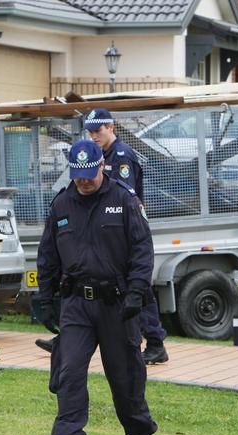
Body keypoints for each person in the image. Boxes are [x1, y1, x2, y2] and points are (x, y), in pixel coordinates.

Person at [37, 139, 157, 435]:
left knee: (125, 376)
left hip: (118, 305)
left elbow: (143, 251)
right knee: (70, 370)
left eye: (89, 174)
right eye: (78, 175)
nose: (84, 181)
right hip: (77, 302)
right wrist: (45, 297)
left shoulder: (123, 199)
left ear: (101, 166)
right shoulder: (62, 204)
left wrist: (136, 292)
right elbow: (47, 254)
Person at [35, 108, 169, 365]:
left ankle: (154, 341)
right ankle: (70, 337)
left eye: (98, 130)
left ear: (112, 128)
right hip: (102, 234)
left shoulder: (121, 156)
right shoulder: (100, 155)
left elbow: (120, 196)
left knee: (137, 289)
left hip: (121, 231)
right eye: (90, 131)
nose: (94, 135)